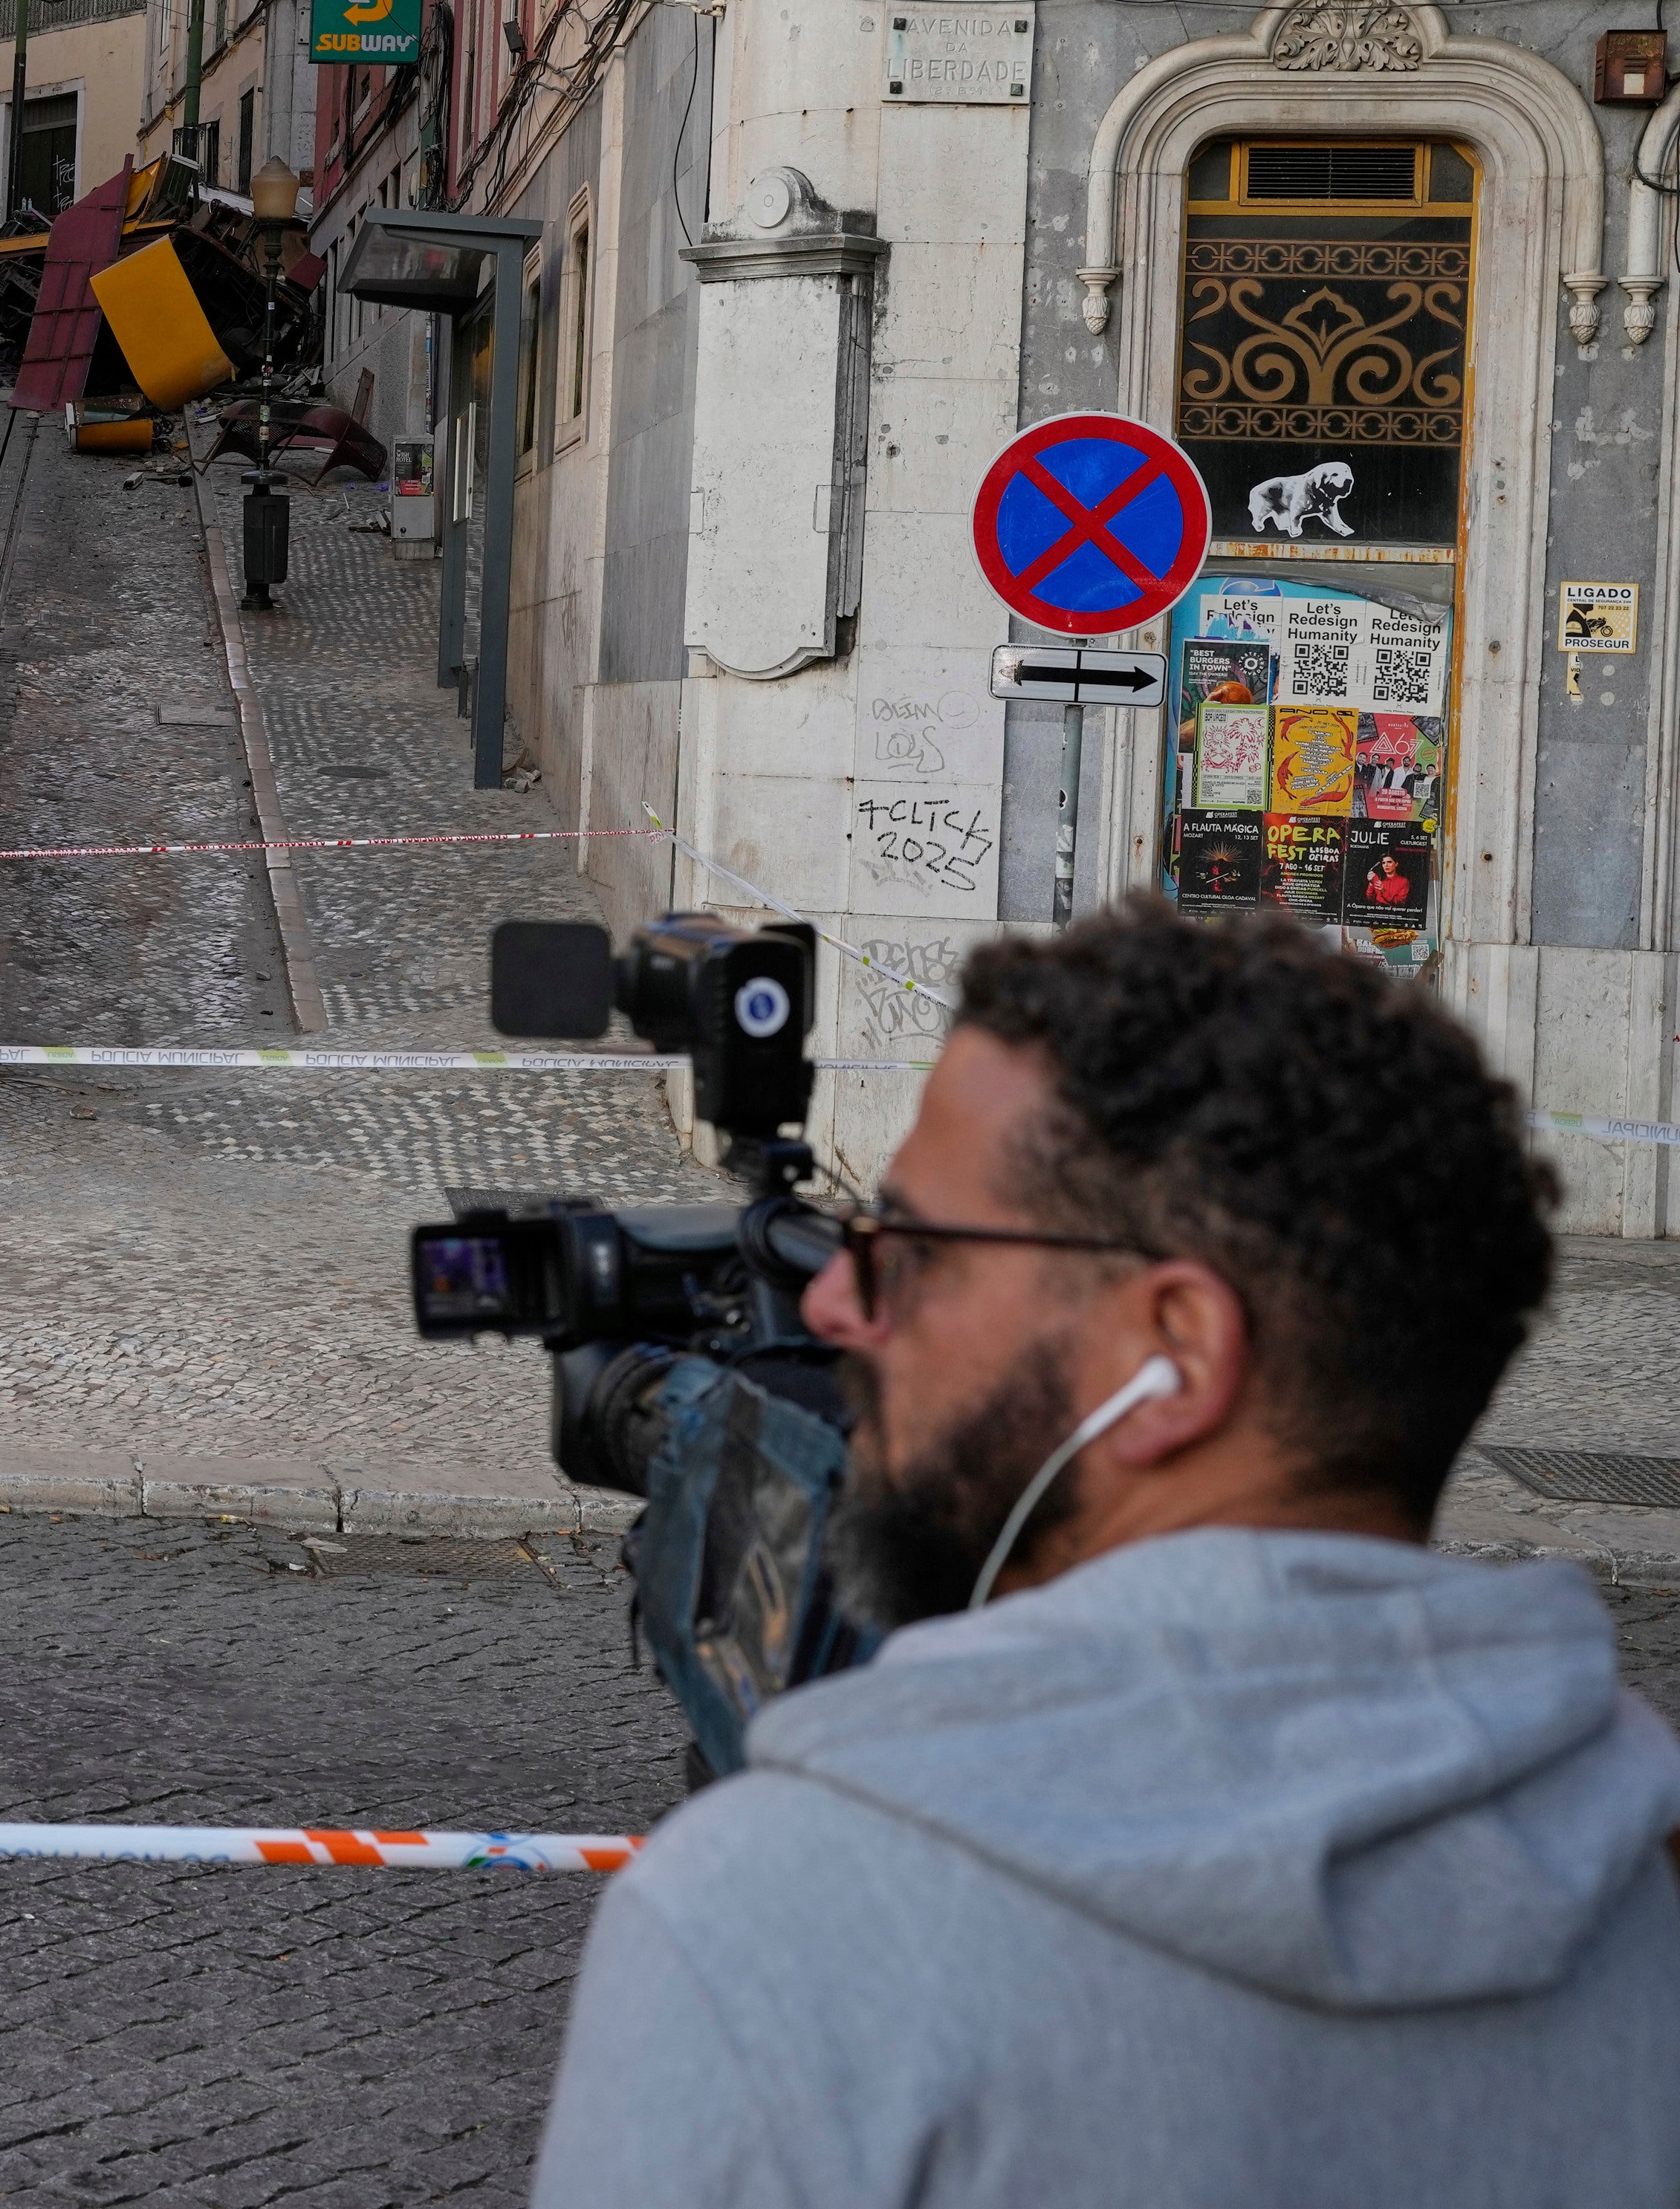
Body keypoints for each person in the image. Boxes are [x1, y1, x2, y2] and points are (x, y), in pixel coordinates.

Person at [533, 903, 1680, 2207]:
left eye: (915, 1248)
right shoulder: (1650, 1899)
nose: (841, 1303)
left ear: (1177, 1352)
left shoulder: (770, 1930)